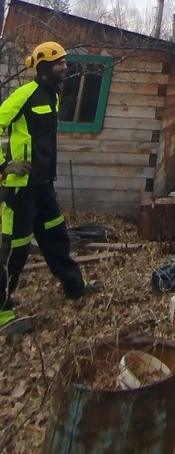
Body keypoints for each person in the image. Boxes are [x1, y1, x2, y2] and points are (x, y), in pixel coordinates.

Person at [0, 40, 103, 333]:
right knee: (15, 249)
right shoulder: (24, 95)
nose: (65, 68)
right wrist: (4, 166)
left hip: (43, 184)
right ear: (45, 66)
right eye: (59, 63)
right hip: (20, 188)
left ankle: (75, 286)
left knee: (56, 237)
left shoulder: (52, 97)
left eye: (65, 62)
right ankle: (2, 311)